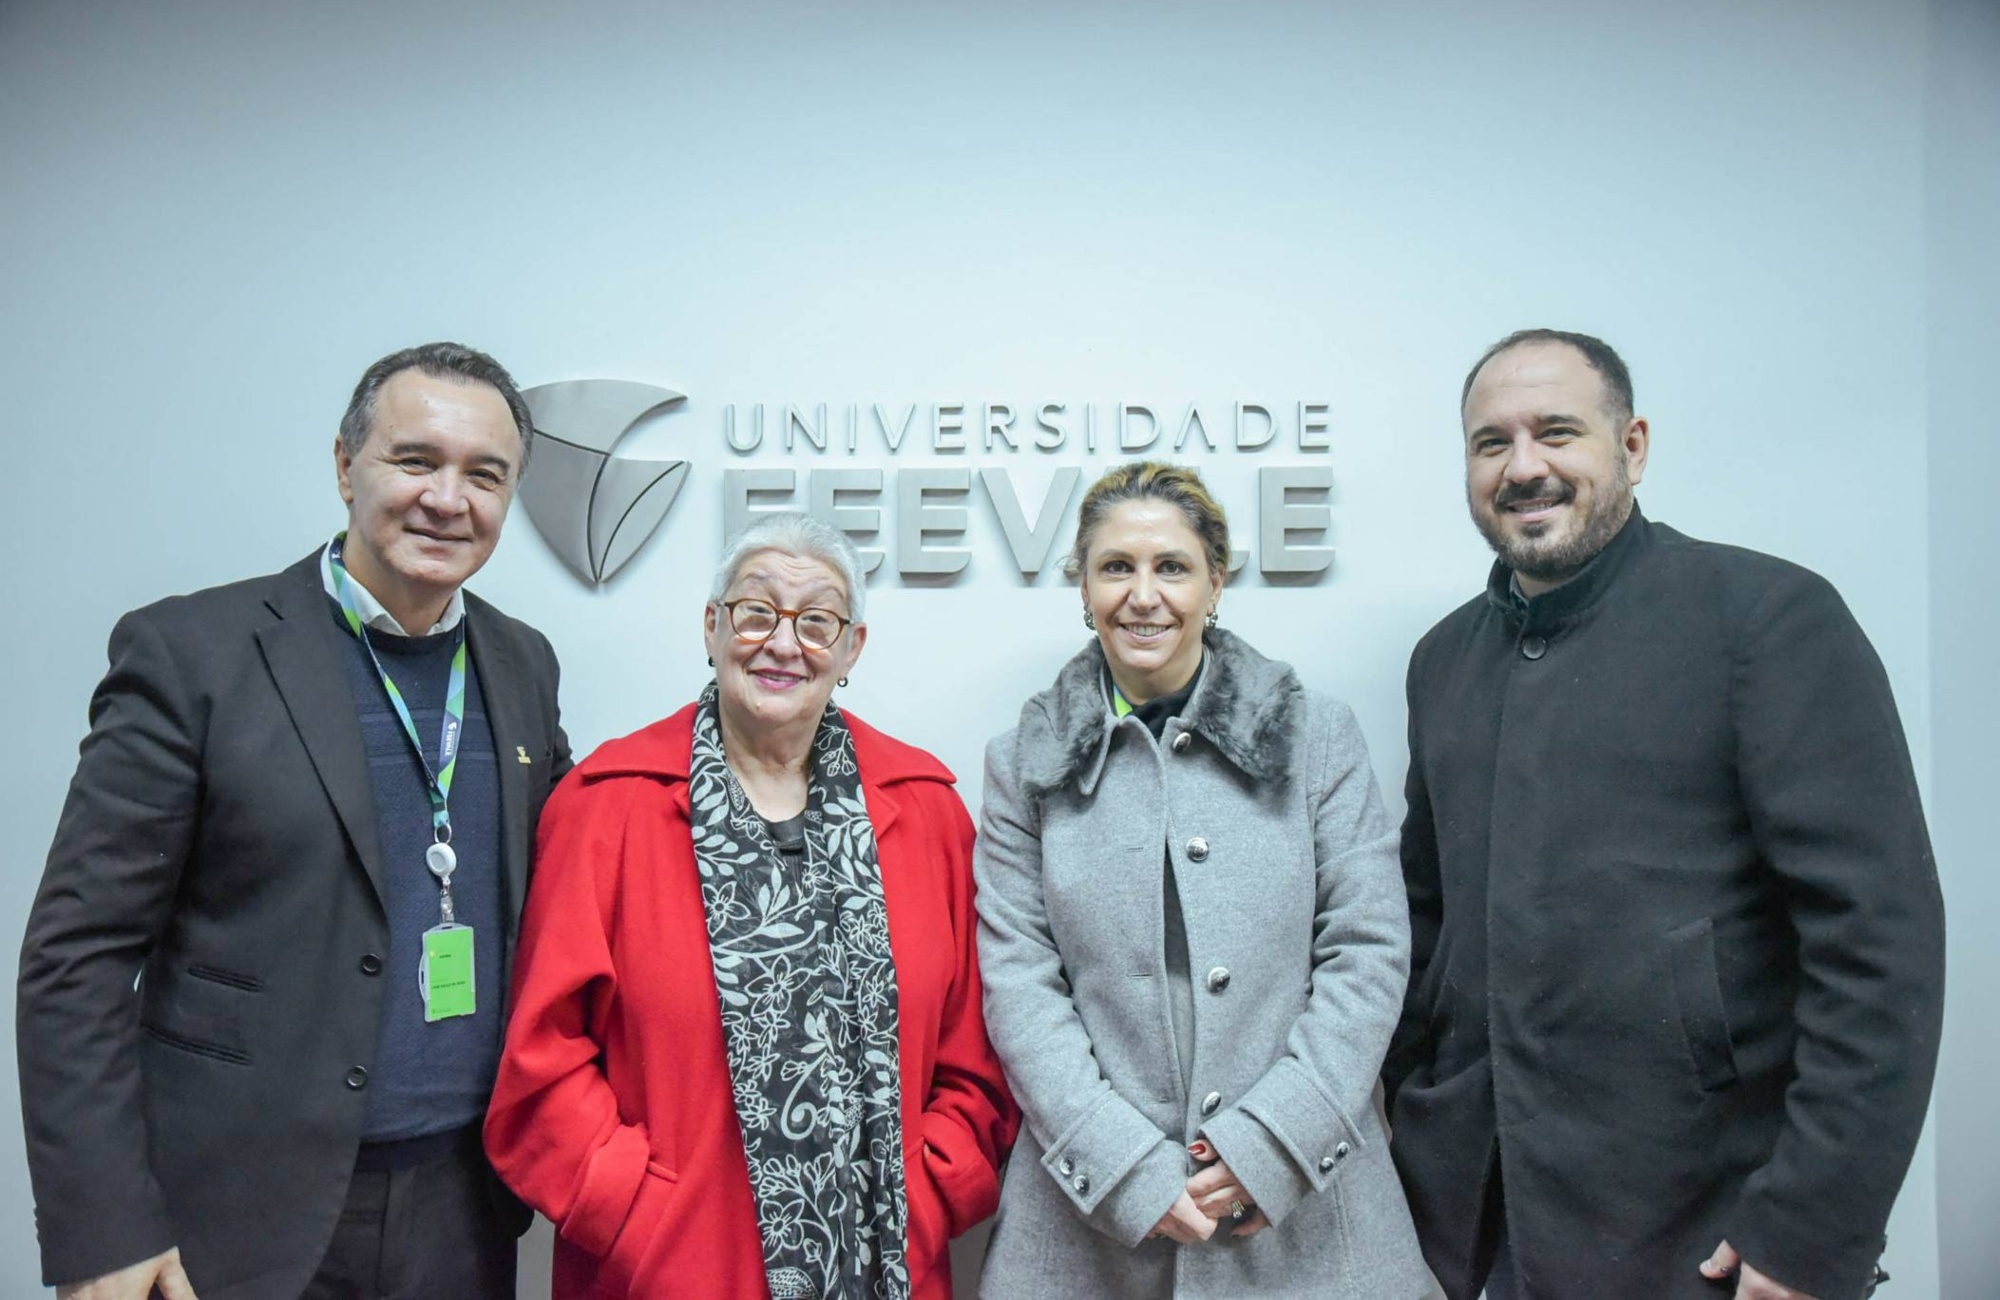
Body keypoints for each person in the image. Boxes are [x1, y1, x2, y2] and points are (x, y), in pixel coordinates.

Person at [1385, 329, 1945, 1300]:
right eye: (1491, 443)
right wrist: (1407, 1104)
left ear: (1632, 446)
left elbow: (1877, 946)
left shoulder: (1765, 618)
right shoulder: (1442, 660)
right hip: (1475, 1224)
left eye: (1557, 431)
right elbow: (1422, 922)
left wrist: (1814, 1226)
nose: (1523, 466)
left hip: (1704, 1227)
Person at [17, 342, 572, 1299]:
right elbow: (79, 957)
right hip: (239, 1216)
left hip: (464, 1209)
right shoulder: (194, 653)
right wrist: (104, 1230)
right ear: (345, 465)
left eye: (485, 475)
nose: (448, 499)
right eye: (415, 460)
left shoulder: (522, 663)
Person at [484, 511, 1016, 1299]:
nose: (783, 643)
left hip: (883, 1267)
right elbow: (543, 1059)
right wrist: (634, 1213)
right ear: (712, 626)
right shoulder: (606, 807)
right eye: (756, 611)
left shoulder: (926, 809)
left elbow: (975, 1059)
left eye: (817, 621)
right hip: (669, 1270)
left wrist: (928, 1198)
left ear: (851, 648)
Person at [973, 462, 1431, 1299]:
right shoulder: (1022, 765)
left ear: (1215, 582)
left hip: (1309, 1224)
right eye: (1117, 566)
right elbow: (1019, 983)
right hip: (1087, 1233)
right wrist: (1118, 1164)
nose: (1143, 596)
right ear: (1083, 584)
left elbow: (1368, 951)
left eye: (1172, 567)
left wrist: (1278, 1140)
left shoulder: (1317, 737)